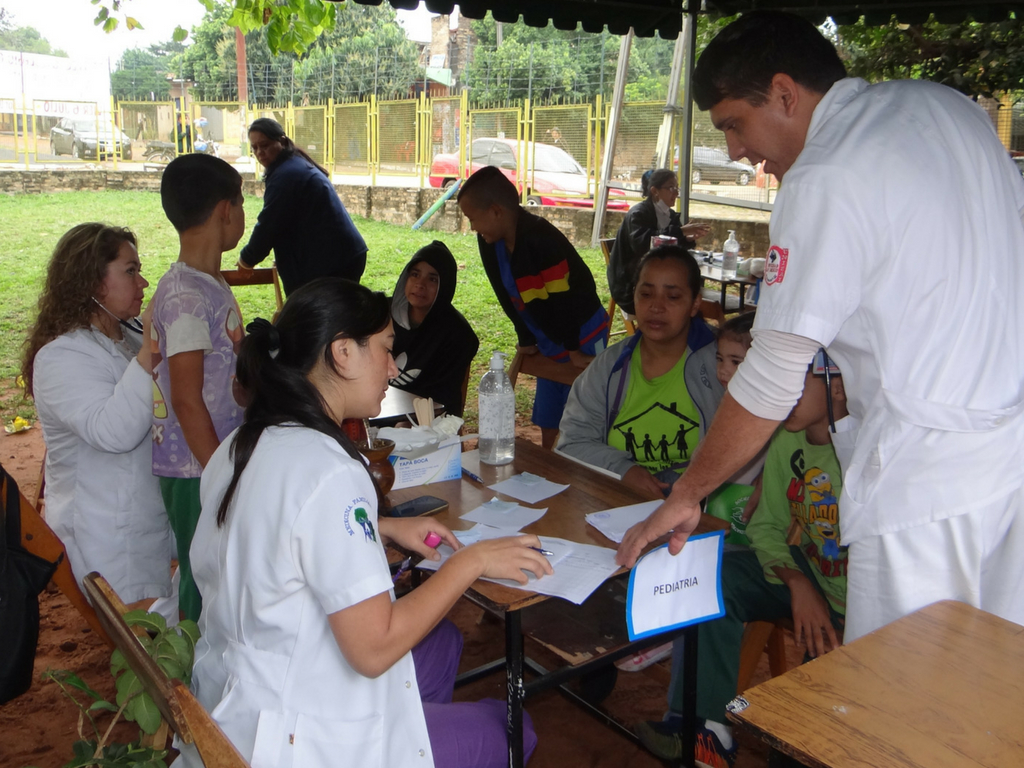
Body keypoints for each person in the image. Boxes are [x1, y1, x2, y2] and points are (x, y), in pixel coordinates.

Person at [616, 11, 1024, 643]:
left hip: (924, 484)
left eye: (733, 124)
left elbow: (772, 376)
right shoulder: (946, 109)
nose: (734, 150)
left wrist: (687, 493)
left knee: (900, 708)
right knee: (994, 693)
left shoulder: (825, 175)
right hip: (1009, 460)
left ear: (784, 92)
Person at [180, 279, 549, 768]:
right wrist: (472, 560)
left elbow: (279, 530)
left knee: (441, 645)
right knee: (508, 729)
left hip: (240, 695)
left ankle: (411, 735)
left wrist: (383, 526)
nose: (393, 367)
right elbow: (373, 651)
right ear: (342, 353)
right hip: (300, 737)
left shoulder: (242, 443)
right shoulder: (331, 468)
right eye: (386, 349)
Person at [636, 355, 849, 767]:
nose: (781, 391)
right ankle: (703, 731)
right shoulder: (789, 436)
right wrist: (798, 584)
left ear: (836, 385)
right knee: (712, 574)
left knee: (799, 746)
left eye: (793, 380)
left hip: (859, 608)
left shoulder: (862, 458)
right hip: (813, 577)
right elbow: (766, 526)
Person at [22, 224, 175, 606]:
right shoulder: (61, 357)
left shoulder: (129, 336)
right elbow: (114, 433)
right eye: (130, 270)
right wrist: (152, 348)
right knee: (169, 641)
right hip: (105, 537)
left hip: (145, 520)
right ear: (93, 282)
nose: (143, 282)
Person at [150, 154, 247, 621]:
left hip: (210, 460)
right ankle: (189, 680)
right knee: (202, 572)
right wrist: (221, 476)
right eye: (244, 203)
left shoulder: (207, 284)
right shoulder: (186, 296)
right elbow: (187, 399)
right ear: (226, 210)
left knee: (216, 567)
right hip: (195, 468)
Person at [457, 166, 609, 449]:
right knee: (550, 417)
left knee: (585, 416)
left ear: (495, 211)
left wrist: (574, 349)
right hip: (549, 339)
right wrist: (526, 336)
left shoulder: (542, 241)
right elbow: (503, 291)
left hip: (582, 333)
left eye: (473, 219)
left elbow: (564, 301)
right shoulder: (490, 241)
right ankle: (549, 465)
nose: (473, 227)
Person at [556, 246, 722, 499]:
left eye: (673, 297)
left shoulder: (723, 366)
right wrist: (624, 470)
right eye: (646, 294)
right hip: (619, 499)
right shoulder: (609, 367)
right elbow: (572, 442)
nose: (656, 307)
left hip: (701, 503)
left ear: (694, 303)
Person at [238, 118, 368, 296]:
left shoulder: (287, 175)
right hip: (338, 256)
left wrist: (247, 259)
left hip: (332, 262)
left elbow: (269, 224)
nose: (260, 152)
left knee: (317, 319)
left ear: (282, 142)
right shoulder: (291, 166)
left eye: (265, 145)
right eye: (255, 148)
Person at [389, 241, 479, 417]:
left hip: (426, 422)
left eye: (432, 279)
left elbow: (442, 398)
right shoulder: (381, 315)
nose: (420, 285)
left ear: (445, 286)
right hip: (379, 410)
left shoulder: (458, 336)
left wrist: (408, 423)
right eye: (415, 274)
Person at [607, 169, 710, 314]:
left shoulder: (670, 215)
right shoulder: (638, 214)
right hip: (632, 286)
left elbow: (670, 251)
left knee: (689, 298)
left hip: (660, 280)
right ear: (655, 191)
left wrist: (686, 240)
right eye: (671, 188)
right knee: (683, 305)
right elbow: (643, 244)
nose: (676, 193)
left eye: (677, 188)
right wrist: (680, 232)